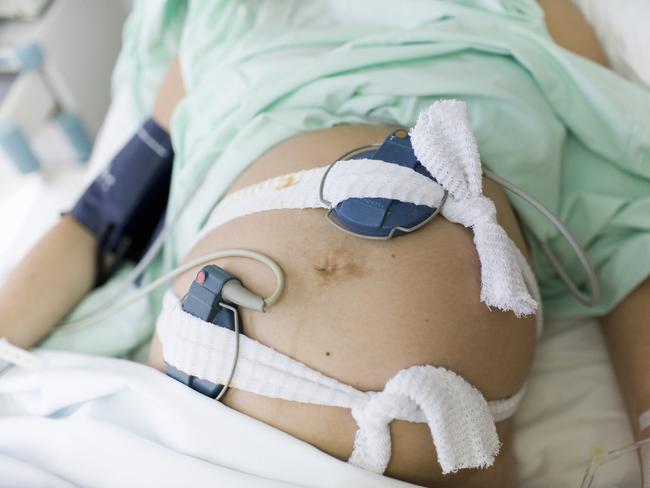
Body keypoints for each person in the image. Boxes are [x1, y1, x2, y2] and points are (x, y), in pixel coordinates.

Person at [1, 1, 649, 487]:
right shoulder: (227, 10)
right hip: (178, 428)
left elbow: (632, 233)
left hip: (440, 450)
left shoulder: (538, 9)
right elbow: (101, 216)